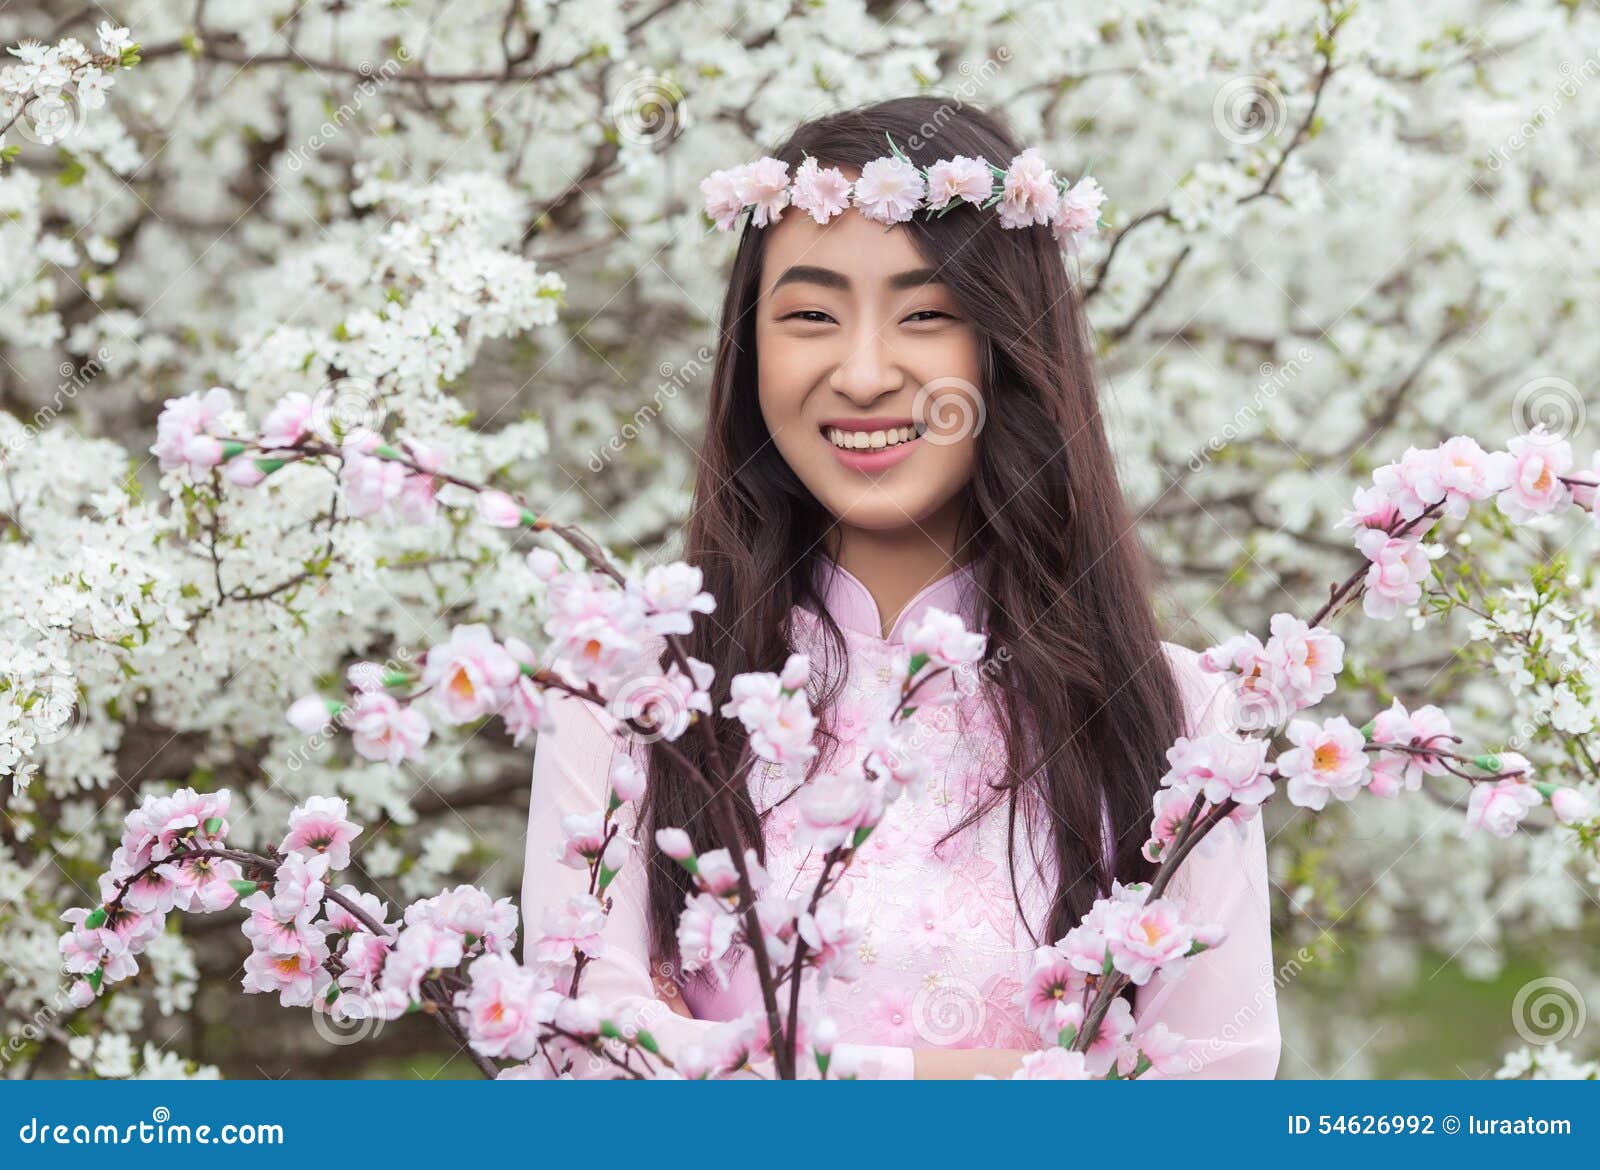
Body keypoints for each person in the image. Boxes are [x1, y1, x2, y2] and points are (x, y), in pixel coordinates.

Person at [521, 96, 1279, 1080]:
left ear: (1008, 350)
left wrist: (725, 1062)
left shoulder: (1174, 714)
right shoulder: (623, 692)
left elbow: (1210, 1096)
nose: (866, 373)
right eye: (809, 316)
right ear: (750, 353)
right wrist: (1011, 1082)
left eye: (925, 315)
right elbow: (577, 1055)